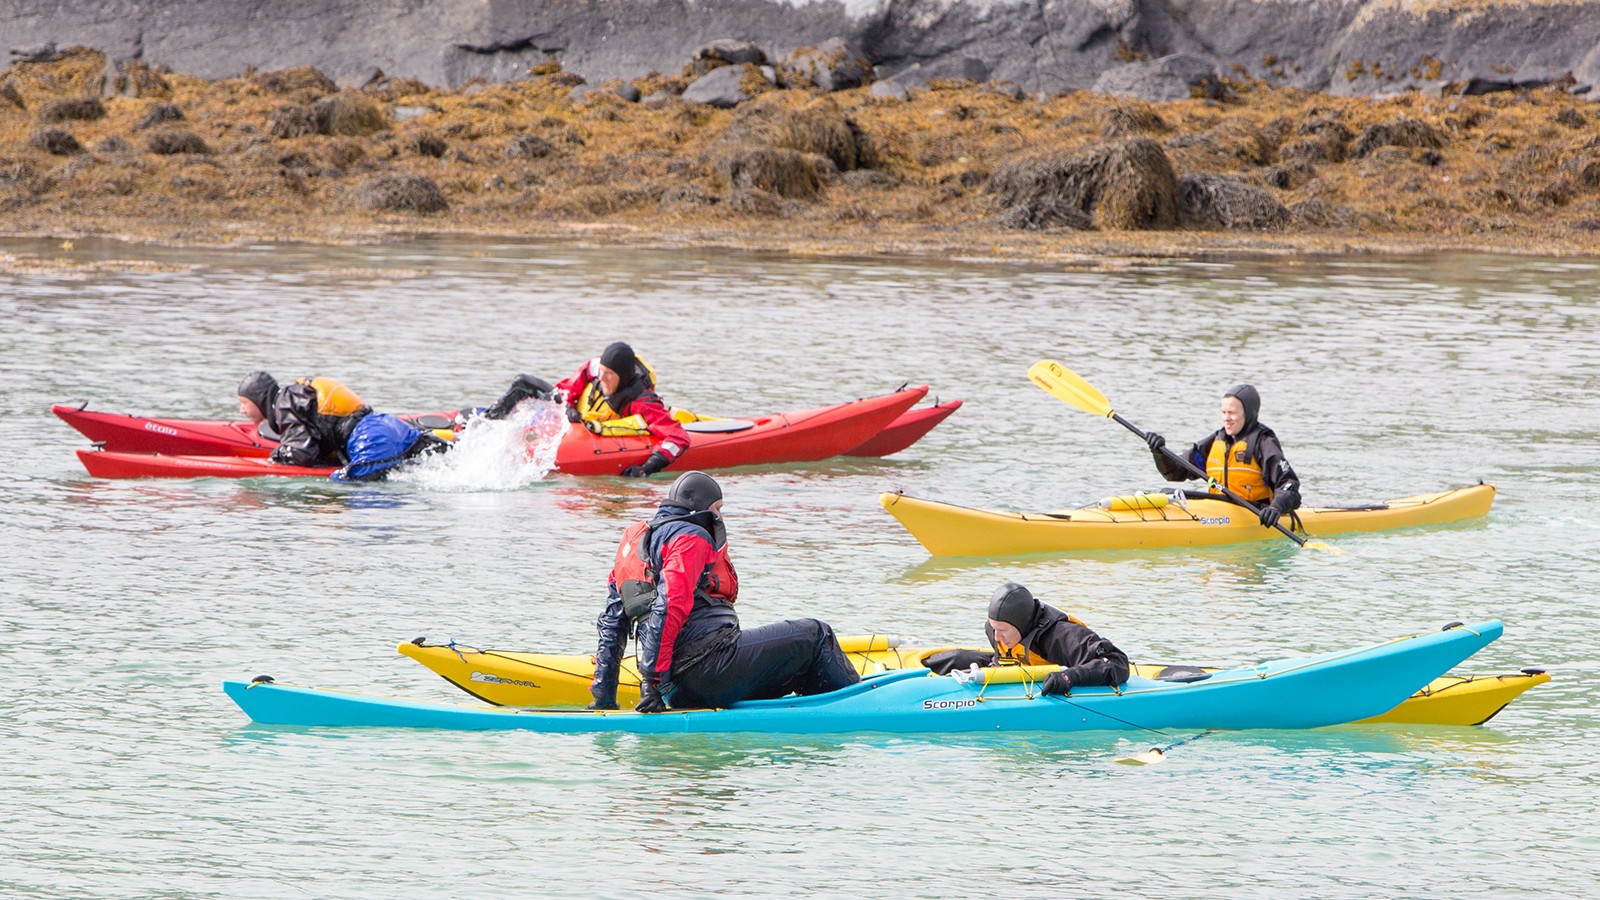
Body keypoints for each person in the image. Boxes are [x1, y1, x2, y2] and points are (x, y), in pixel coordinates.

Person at [588, 471, 861, 712]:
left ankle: (812, 715)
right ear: (700, 509)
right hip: (708, 670)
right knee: (815, 634)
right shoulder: (689, 537)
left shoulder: (635, 544)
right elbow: (671, 604)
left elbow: (613, 622)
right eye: (717, 507)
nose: (719, 515)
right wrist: (651, 680)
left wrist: (604, 697)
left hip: (677, 688)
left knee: (799, 666)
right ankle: (859, 707)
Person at [482, 341, 690, 478]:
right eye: (602, 371)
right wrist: (571, 405)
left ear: (623, 376)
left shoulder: (642, 402)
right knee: (522, 383)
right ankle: (485, 422)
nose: (601, 378)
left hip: (592, 426)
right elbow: (577, 379)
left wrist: (649, 467)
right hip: (564, 406)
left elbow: (678, 438)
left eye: (609, 374)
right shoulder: (595, 369)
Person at [924, 582, 1130, 697]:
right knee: (957, 658)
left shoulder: (1063, 636)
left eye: (1003, 630)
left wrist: (1068, 677)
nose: (997, 637)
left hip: (1059, 678)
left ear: (1021, 625)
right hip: (1019, 670)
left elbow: (1118, 663)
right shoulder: (995, 630)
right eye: (993, 628)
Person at [1143, 383, 1302, 528]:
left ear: (1248, 413)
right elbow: (1176, 472)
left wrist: (1276, 507)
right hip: (1217, 512)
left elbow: (1288, 484)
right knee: (1168, 491)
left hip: (1255, 513)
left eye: (1232, 413)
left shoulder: (1264, 443)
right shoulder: (1214, 443)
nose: (1226, 418)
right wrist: (1159, 452)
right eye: (1224, 412)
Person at [235, 371, 447, 479]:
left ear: (259, 398)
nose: (242, 410)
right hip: (390, 426)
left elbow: (301, 452)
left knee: (345, 487)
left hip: (370, 441)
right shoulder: (295, 395)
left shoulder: (285, 404)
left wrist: (275, 459)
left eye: (244, 403)